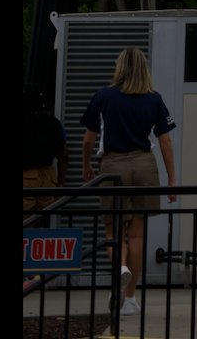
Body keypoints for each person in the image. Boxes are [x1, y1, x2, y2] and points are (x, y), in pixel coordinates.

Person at [80, 47, 177, 320]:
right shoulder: (154, 98)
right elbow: (165, 140)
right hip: (145, 164)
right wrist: (171, 178)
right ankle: (131, 298)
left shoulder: (104, 96)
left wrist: (86, 164)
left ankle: (121, 266)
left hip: (114, 165)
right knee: (137, 233)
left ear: (120, 67)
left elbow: (88, 139)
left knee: (113, 228)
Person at [23, 81, 67, 218]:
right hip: (48, 176)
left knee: (25, 219)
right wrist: (61, 181)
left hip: (26, 175)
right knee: (44, 219)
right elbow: (63, 154)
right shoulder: (54, 123)